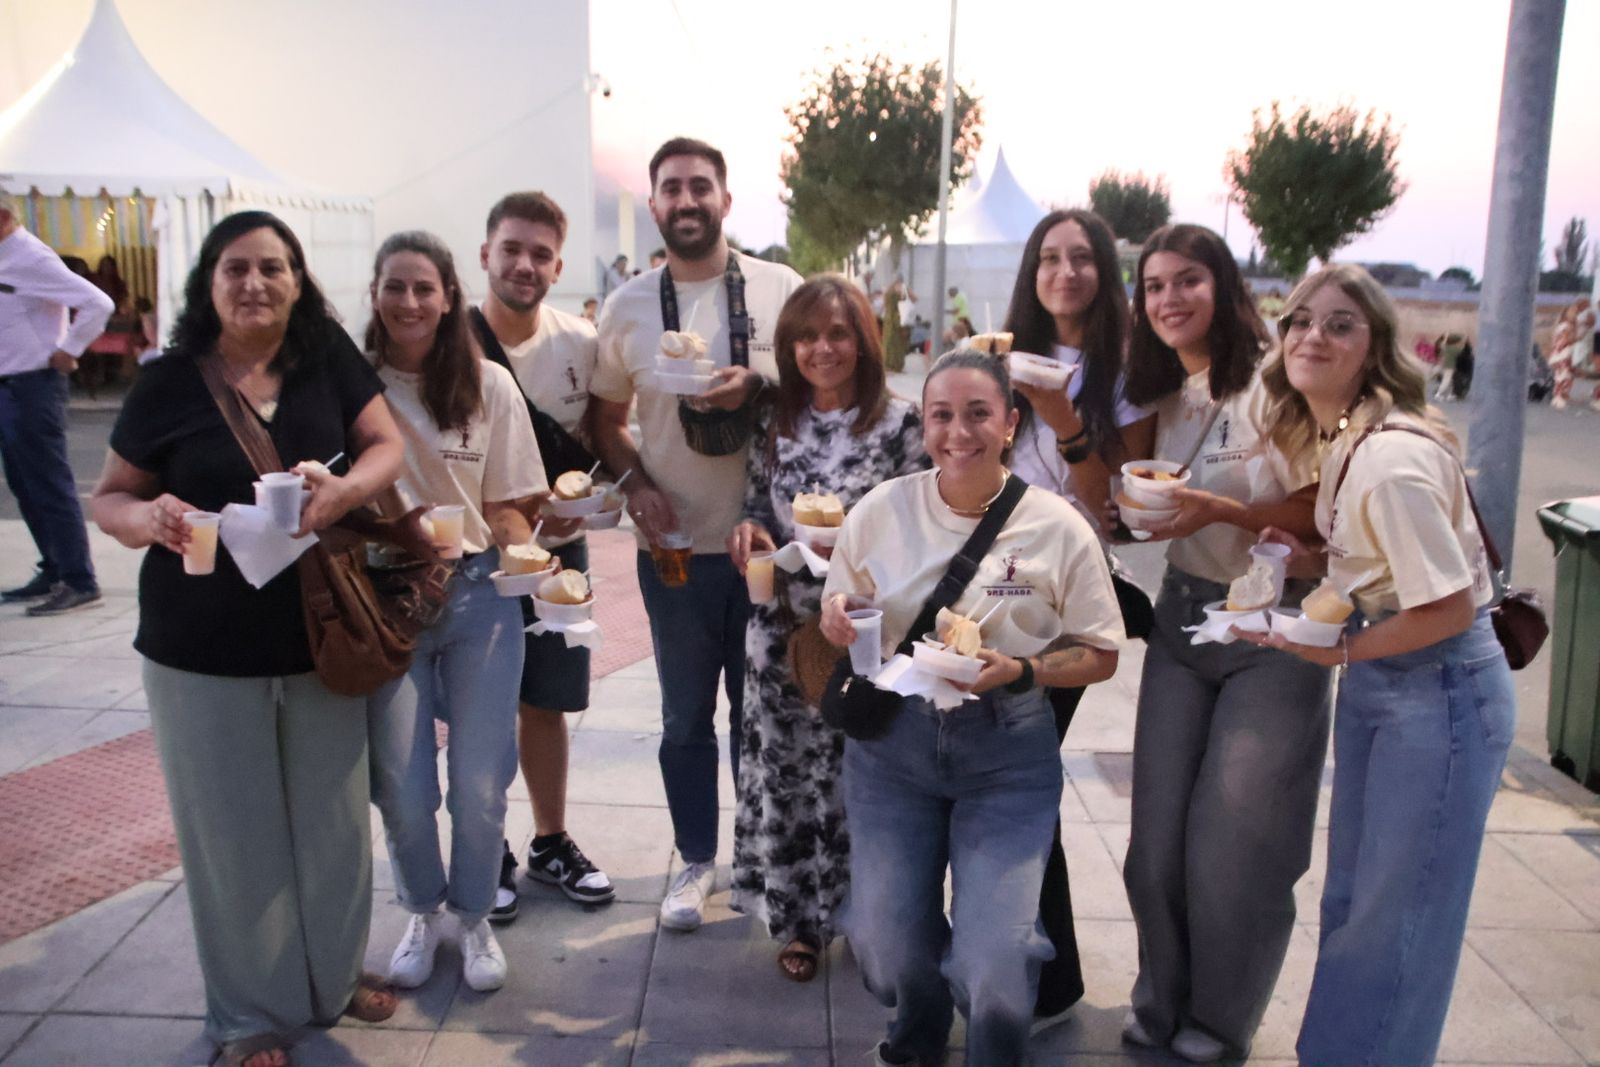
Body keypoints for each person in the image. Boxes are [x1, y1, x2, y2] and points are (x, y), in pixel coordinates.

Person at [88, 210, 406, 1067]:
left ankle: (331, 980)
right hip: (200, 646)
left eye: (273, 267)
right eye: (236, 268)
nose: (255, 283)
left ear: (299, 281)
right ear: (209, 282)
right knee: (232, 838)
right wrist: (146, 518)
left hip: (321, 637)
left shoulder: (325, 358)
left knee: (334, 826)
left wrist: (342, 494)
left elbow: (386, 446)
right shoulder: (167, 383)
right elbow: (109, 496)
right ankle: (248, 1013)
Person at [1239, 263, 1511, 1066]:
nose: (1312, 336)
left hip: (1439, 688)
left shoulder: (1388, 459)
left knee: (1397, 921)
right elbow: (1387, 562)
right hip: (1393, 680)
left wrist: (1338, 647)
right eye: (1299, 320)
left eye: (1340, 324)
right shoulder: (1347, 437)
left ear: (1375, 346)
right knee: (1357, 904)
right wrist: (1312, 560)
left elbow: (1447, 606)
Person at [820, 349, 1123, 1067]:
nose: (959, 432)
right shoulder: (882, 509)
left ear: (1011, 423)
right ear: (923, 424)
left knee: (996, 959)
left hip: (1007, 753)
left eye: (978, 413)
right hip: (893, 747)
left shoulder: (1057, 526)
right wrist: (838, 617)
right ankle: (918, 1036)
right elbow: (842, 603)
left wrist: (1023, 669)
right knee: (885, 942)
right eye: (942, 415)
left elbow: (1102, 651)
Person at [1116, 223, 1333, 1062]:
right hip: (1182, 615)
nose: (1169, 298)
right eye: (1154, 285)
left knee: (1237, 843)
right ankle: (1161, 997)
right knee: (1154, 844)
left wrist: (1222, 512)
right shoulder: (1164, 392)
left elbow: (1321, 509)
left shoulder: (1277, 384)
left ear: (1224, 286)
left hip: (1272, 623)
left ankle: (1219, 1019)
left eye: (1188, 280)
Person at [589, 136, 802, 932]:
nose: (686, 200)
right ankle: (695, 860)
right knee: (685, 720)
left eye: (700, 186)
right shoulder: (627, 306)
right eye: (672, 188)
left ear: (725, 199)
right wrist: (636, 484)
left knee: (762, 719)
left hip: (766, 550)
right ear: (654, 204)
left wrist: (761, 386)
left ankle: (759, 859)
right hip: (674, 552)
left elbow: (825, 390)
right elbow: (605, 420)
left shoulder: (780, 288)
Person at [363, 229, 555, 995]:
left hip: (478, 593)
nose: (410, 301)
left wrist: (536, 559)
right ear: (375, 294)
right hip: (386, 598)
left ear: (448, 297)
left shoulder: (488, 385)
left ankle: (474, 913)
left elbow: (508, 507)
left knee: (479, 781)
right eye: (395, 286)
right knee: (403, 787)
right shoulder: (354, 386)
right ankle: (421, 908)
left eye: (424, 288)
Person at [725, 275, 925, 982]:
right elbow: (756, 505)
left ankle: (866, 916)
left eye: (838, 333)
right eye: (806, 336)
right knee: (785, 777)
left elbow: (925, 525)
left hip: (865, 631)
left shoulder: (902, 425)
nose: (822, 348)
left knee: (859, 778)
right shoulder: (774, 421)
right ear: (789, 346)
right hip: (782, 626)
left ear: (864, 340)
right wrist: (750, 531)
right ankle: (798, 921)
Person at [999, 208, 1152, 1029]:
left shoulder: (1127, 372)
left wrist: (1063, 422)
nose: (1065, 272)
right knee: (1007, 775)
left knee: (1020, 775)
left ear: (1105, 272)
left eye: (1082, 257)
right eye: (1050, 257)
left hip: (1071, 602)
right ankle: (1020, 957)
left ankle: (1046, 976)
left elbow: (1112, 509)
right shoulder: (998, 356)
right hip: (993, 592)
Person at [470, 192, 615, 918]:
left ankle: (550, 841)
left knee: (548, 702)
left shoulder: (581, 343)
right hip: (477, 560)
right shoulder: (451, 345)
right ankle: (486, 847)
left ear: (558, 266)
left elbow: (598, 444)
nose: (524, 264)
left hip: (560, 553)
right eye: (512, 249)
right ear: (485, 254)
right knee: (482, 706)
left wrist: (601, 497)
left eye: (540, 254)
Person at [0, 190, 111, 615]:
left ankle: (80, 580)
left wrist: (70, 348)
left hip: (32, 385)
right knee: (24, 484)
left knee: (48, 484)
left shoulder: (31, 257)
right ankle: (54, 568)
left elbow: (98, 303)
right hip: (10, 384)